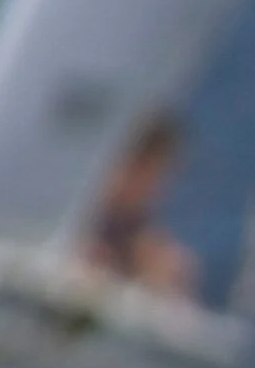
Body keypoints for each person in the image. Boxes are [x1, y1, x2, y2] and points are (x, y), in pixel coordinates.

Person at [83, 112, 198, 297]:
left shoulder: (159, 255)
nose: (154, 186)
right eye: (141, 167)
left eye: (159, 174)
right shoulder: (67, 229)